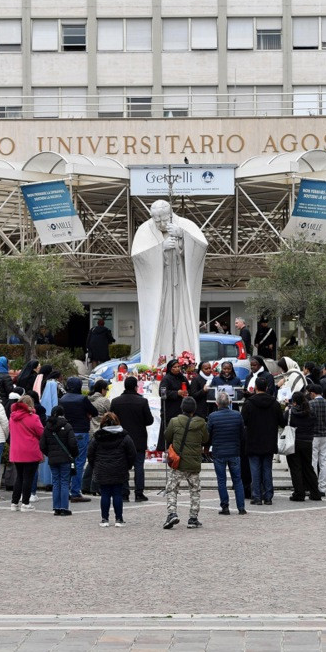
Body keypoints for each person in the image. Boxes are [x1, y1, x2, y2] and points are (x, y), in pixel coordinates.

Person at [131, 199, 208, 366]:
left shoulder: (185, 225)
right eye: (156, 219)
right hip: (160, 286)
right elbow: (137, 256)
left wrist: (183, 236)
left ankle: (185, 358)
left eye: (164, 219)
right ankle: (156, 361)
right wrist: (161, 247)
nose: (160, 223)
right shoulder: (145, 229)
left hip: (181, 284)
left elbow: (202, 246)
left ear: (171, 215)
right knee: (160, 318)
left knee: (183, 318)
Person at [163, 396, 209, 529]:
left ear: (182, 408)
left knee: (172, 488)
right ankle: (193, 518)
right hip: (194, 463)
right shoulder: (201, 423)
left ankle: (172, 514)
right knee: (195, 490)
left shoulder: (174, 421)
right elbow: (206, 439)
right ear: (194, 410)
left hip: (179, 462)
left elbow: (167, 436)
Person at [88, 412, 137, 527]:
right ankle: (119, 519)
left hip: (102, 469)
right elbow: (132, 453)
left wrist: (95, 465)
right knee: (117, 494)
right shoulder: (124, 436)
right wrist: (127, 466)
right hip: (119, 468)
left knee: (104, 494)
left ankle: (104, 519)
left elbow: (90, 454)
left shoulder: (97, 437)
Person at [109, 376, 154, 501]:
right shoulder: (142, 401)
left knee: (122, 466)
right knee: (139, 466)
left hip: (120, 438)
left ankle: (124, 493)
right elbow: (149, 420)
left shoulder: (115, 401)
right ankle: (139, 493)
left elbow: (111, 420)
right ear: (136, 387)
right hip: (138, 439)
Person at [241, 376, 283, 505]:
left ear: (256, 388)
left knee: (255, 469)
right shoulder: (274, 403)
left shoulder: (248, 403)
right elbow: (282, 422)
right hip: (269, 441)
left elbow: (243, 421)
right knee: (267, 469)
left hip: (253, 440)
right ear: (266, 388)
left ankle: (257, 496)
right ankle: (268, 496)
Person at [207, 390, 246, 515]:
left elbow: (208, 435)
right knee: (237, 480)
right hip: (234, 451)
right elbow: (242, 434)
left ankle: (225, 507)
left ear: (217, 403)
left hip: (219, 452)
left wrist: (206, 448)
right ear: (229, 402)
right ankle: (241, 507)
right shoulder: (237, 415)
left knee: (221, 480)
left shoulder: (212, 416)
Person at [59, 377, 98, 503]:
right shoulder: (82, 399)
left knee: (67, 461)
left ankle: (66, 489)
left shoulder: (63, 399)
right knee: (79, 462)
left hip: (66, 432)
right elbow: (94, 412)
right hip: (81, 432)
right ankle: (75, 491)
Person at [40, 406, 78, 516]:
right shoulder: (67, 426)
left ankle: (56, 507)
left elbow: (42, 445)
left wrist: (50, 454)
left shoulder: (47, 427)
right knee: (65, 482)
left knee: (56, 482)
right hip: (65, 459)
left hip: (53, 459)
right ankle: (64, 508)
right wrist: (73, 455)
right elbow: (73, 444)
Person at [9, 394, 44, 512]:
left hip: (16, 451)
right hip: (30, 450)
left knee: (19, 477)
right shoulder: (33, 417)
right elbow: (41, 433)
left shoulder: (12, 417)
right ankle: (25, 503)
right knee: (28, 478)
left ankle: (14, 503)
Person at [284, 392, 322, 502]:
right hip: (307, 442)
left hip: (293, 442)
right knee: (308, 467)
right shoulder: (311, 413)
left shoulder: (290, 412)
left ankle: (299, 493)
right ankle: (315, 492)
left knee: (295, 468)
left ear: (294, 401)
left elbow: (283, 422)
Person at [307, 383, 326, 496]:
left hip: (313, 436)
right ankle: (322, 488)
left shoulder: (310, 404)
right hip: (325, 435)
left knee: (313, 462)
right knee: (323, 462)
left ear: (313, 393)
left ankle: (313, 487)